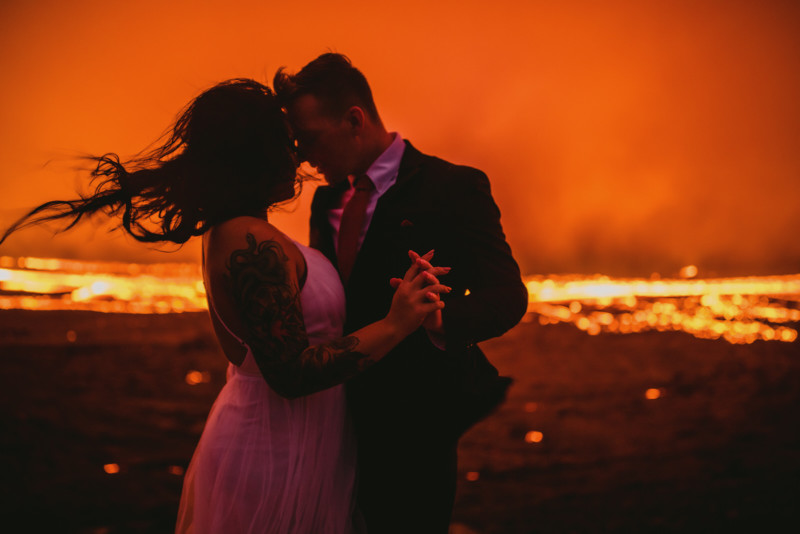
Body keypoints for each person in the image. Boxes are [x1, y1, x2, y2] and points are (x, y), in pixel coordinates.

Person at [0, 79, 451, 533]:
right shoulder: (250, 241)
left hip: (299, 443)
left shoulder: (245, 231)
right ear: (255, 155)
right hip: (275, 455)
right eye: (285, 142)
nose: (297, 156)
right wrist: (396, 322)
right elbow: (291, 374)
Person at [274, 53, 529, 533]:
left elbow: (508, 295)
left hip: (417, 425)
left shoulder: (453, 187)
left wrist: (438, 319)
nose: (305, 156)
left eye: (309, 139)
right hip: (333, 415)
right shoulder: (326, 200)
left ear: (354, 120)